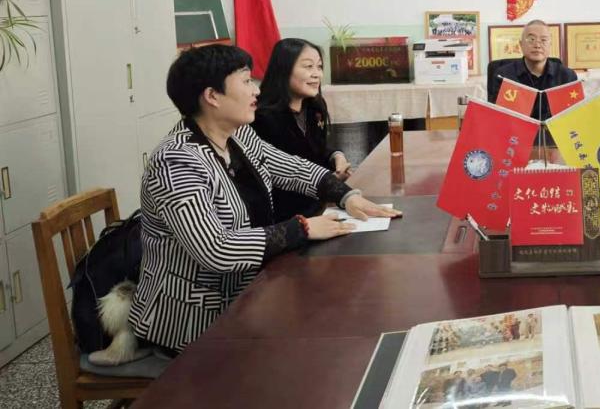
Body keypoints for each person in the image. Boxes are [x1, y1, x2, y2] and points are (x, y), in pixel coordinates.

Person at [129, 45, 400, 354]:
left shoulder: (239, 136)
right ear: (212, 96)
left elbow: (293, 169)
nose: (256, 90)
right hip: (195, 320)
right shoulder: (176, 162)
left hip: (253, 295)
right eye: (246, 81)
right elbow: (217, 249)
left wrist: (346, 196)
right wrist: (302, 228)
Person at [253, 39, 350, 222]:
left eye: (319, 67)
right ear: (284, 69)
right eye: (308, 66)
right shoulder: (262, 117)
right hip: (286, 218)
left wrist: (336, 157)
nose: (317, 74)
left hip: (320, 205)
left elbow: (317, 149)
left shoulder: (315, 106)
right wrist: (327, 183)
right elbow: (279, 170)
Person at [488, 20, 578, 121]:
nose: (537, 45)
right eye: (531, 39)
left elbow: (573, 117)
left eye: (543, 40)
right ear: (521, 44)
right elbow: (497, 117)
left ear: (550, 45)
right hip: (516, 129)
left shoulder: (567, 76)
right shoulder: (504, 76)